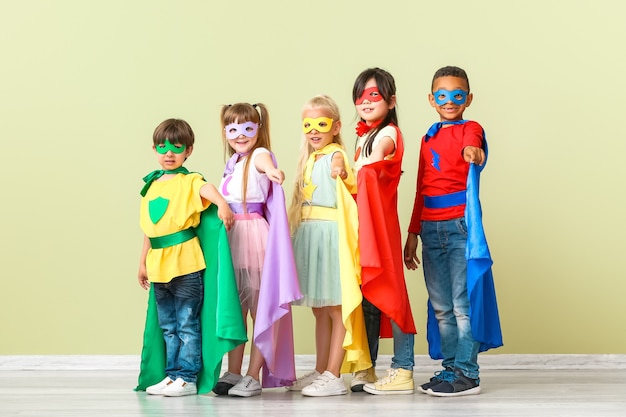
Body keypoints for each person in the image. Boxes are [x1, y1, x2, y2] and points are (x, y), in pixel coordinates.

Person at [403, 65, 503, 397]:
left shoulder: (471, 128)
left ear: (468, 98)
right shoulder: (428, 136)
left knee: (462, 303)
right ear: (432, 99)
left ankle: (468, 373)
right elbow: (420, 188)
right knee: (441, 305)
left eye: (457, 95)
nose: (450, 101)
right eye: (443, 96)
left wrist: (474, 152)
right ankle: (450, 370)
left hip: (460, 227)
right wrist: (412, 233)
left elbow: (475, 147)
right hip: (430, 230)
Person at [136, 118, 243, 397]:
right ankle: (172, 375)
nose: (169, 153)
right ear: (154, 149)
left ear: (189, 150)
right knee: (168, 326)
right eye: (162, 147)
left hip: (185, 265)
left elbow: (205, 189)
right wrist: (142, 262)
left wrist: (222, 204)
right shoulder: (152, 185)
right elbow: (150, 229)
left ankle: (187, 376)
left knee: (186, 323)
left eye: (176, 146)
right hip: (159, 265)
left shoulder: (190, 180)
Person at [214, 103, 302, 398]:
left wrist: (274, 172)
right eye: (233, 129)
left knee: (260, 306)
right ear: (226, 132)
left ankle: (253, 375)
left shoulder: (259, 155)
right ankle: (234, 370)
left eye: (248, 128)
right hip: (232, 235)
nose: (241, 135)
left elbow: (267, 165)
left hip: (254, 235)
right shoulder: (233, 165)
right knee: (235, 307)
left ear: (258, 130)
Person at [287, 95, 371, 397]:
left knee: (336, 307)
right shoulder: (309, 158)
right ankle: (322, 369)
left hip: (331, 236)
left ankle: (334, 374)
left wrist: (340, 170)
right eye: (307, 125)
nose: (313, 130)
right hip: (311, 236)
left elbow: (343, 170)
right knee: (320, 310)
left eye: (320, 124)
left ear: (335, 127)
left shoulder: (335, 154)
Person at [350, 68, 417, 395]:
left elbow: (373, 165)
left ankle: (403, 369)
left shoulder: (387, 134)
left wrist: (349, 168)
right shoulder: (363, 136)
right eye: (360, 96)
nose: (366, 102)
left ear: (391, 101)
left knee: (392, 295)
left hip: (381, 226)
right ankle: (367, 368)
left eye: (374, 95)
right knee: (368, 299)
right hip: (364, 227)